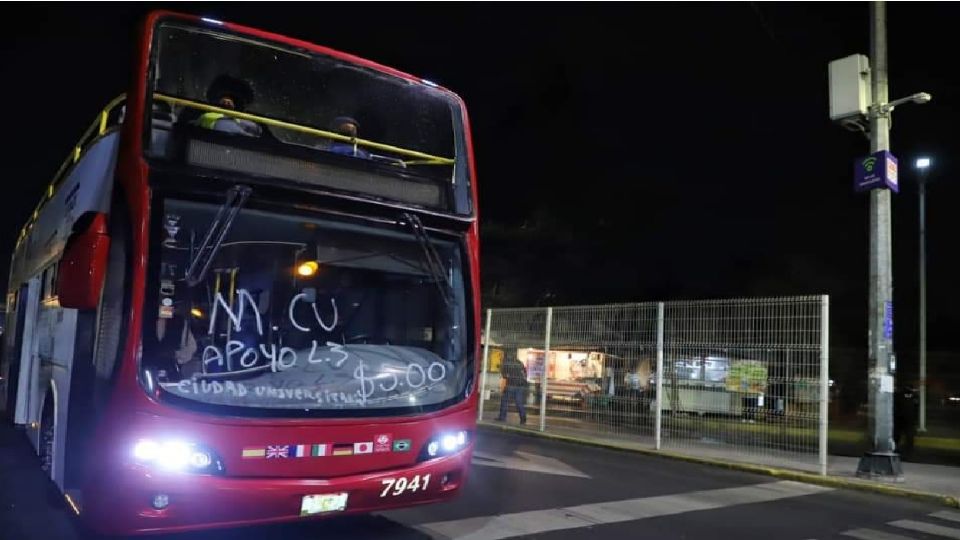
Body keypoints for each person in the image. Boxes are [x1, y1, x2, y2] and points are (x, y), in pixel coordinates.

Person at [195, 75, 262, 137]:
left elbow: (258, 131)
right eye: (223, 102)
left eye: (229, 103)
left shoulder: (241, 119)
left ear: (235, 106)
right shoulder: (207, 116)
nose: (226, 104)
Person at [496, 354, 529, 425]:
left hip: (511, 384)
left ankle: (502, 417)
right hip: (521, 385)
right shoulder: (519, 362)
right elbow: (525, 372)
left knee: (505, 400)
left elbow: (504, 375)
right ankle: (523, 419)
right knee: (519, 402)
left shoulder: (506, 363)